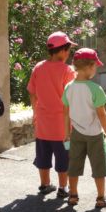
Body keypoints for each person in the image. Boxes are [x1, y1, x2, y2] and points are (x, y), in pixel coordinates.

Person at [62, 48, 106, 207]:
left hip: (76, 133)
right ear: (88, 67)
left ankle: (73, 196)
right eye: (95, 67)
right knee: (99, 166)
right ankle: (100, 198)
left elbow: (65, 113)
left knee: (74, 166)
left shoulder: (68, 87)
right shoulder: (95, 89)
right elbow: (102, 115)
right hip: (94, 135)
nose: (96, 70)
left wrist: (67, 133)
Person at [27, 31, 77, 197]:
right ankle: (63, 188)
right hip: (62, 126)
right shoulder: (68, 70)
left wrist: (36, 112)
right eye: (68, 49)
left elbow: (32, 93)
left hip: (42, 124)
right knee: (63, 157)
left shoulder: (38, 67)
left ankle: (44, 184)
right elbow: (72, 98)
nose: (69, 53)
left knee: (43, 155)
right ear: (62, 50)